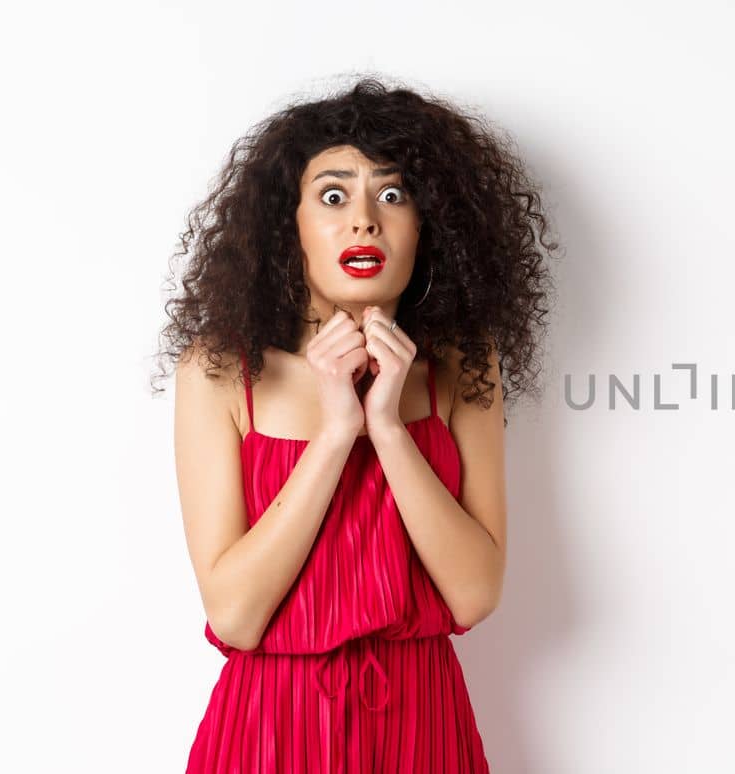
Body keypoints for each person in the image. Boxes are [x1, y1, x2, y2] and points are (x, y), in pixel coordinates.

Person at [155, 75, 556, 772]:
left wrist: (390, 429)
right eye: (333, 196)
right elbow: (235, 616)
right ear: (293, 226)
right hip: (268, 732)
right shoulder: (221, 373)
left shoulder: (462, 366)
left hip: (422, 727)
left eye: (393, 195)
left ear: (429, 225)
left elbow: (474, 593)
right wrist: (338, 432)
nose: (364, 220)